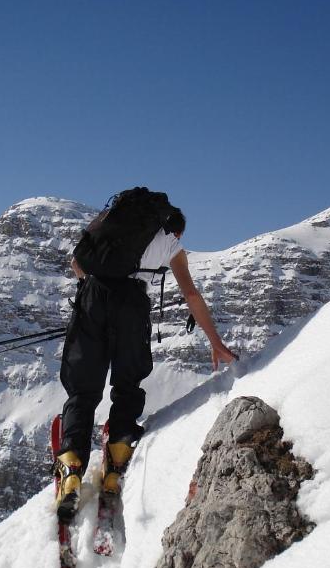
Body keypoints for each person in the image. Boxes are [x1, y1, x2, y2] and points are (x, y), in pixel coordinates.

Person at [54, 205, 236, 520]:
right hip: (132, 305)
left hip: (92, 297)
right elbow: (191, 295)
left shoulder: (110, 232)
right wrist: (216, 343)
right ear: (176, 230)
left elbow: (76, 263)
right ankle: (116, 461)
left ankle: (71, 467)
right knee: (127, 383)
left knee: (82, 390)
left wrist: (92, 291)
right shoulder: (172, 245)